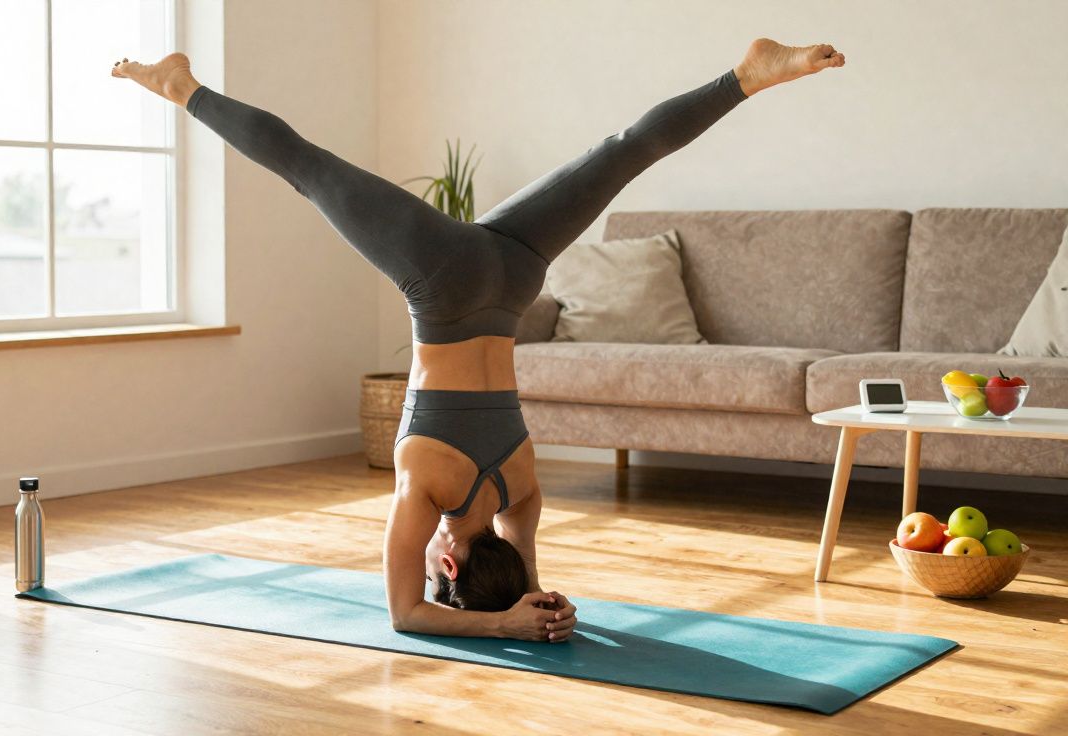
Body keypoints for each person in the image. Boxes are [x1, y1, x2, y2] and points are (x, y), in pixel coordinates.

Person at [112, 37, 845, 642]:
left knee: (623, 154)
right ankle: (185, 90)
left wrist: (537, 609)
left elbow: (522, 579)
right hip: (446, 285)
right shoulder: (427, 486)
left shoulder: (518, 493)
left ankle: (744, 77)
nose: (432, 557)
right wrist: (498, 627)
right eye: (440, 564)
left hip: (513, 278)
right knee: (307, 169)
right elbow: (405, 615)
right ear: (451, 567)